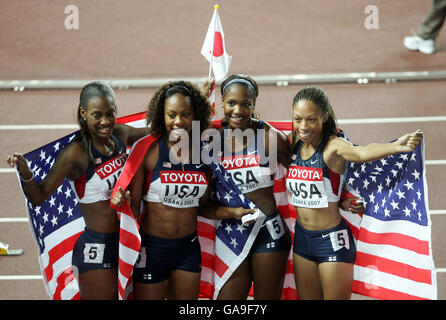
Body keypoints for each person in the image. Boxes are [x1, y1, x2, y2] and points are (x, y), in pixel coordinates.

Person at [6, 81, 149, 299]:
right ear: (83, 113)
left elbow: (157, 134)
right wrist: (26, 172)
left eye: (110, 114)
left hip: (125, 241)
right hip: (96, 247)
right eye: (97, 115)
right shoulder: (76, 153)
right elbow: (39, 196)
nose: (105, 122)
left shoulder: (120, 135)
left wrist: (194, 111)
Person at [111, 80, 252, 300]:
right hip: (153, 250)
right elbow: (134, 209)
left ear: (195, 116)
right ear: (162, 116)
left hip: (188, 250)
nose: (178, 121)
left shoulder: (204, 153)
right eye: (172, 115)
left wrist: (232, 213)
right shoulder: (149, 152)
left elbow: (202, 207)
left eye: (185, 114)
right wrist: (122, 204)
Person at [287, 86, 422, 300]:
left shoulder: (333, 146)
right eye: (297, 119)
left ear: (324, 117)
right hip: (303, 239)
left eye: (311, 120)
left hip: (331, 240)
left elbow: (360, 152)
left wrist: (396, 146)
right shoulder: (293, 143)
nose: (303, 126)